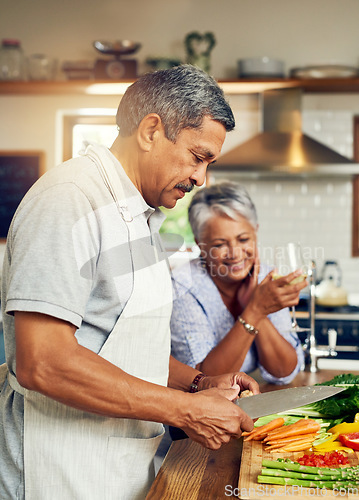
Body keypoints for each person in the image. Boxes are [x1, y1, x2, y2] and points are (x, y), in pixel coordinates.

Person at [0, 65, 259, 500]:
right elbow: (41, 361)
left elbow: (124, 344)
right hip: (59, 474)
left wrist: (198, 384)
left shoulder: (139, 215)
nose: (201, 179)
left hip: (116, 470)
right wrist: (186, 410)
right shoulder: (69, 200)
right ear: (151, 130)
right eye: (198, 157)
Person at [170, 181, 306, 384]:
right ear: (200, 244)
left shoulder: (266, 278)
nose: (235, 254)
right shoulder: (182, 285)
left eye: (243, 240)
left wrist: (257, 304)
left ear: (255, 233)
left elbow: (284, 373)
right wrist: (255, 310)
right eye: (219, 244)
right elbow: (202, 381)